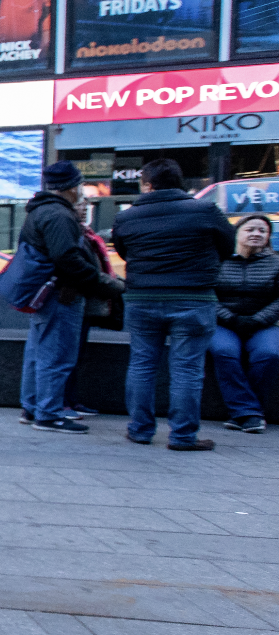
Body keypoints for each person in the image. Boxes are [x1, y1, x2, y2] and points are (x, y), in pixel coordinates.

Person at [109, 158, 237, 450]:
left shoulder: (128, 217)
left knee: (142, 364)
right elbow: (227, 246)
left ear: (147, 184)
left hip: (142, 298)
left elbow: (124, 251)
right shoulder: (205, 210)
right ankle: (182, 436)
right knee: (187, 369)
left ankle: (140, 430)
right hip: (193, 298)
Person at [15, 162, 124, 433]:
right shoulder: (59, 216)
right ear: (72, 188)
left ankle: (32, 407)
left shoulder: (39, 211)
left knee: (38, 353)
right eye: (80, 187)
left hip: (44, 294)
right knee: (58, 355)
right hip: (62, 295)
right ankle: (49, 414)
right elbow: (67, 259)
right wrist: (106, 284)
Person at [211, 213, 278, 433]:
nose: (256, 234)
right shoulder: (219, 259)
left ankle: (243, 413)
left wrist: (257, 319)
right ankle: (249, 414)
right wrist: (231, 318)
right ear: (237, 233)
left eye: (262, 231)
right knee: (224, 351)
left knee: (269, 354)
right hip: (224, 323)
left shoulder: (276, 262)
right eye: (250, 230)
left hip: (262, 324)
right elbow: (208, 294)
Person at [60, 196, 121, 419]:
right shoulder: (71, 230)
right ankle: (63, 402)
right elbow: (79, 266)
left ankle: (71, 400)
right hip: (74, 298)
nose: (84, 209)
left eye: (86, 205)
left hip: (87, 300)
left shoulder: (84, 232)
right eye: (79, 204)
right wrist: (113, 284)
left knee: (76, 354)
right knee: (67, 355)